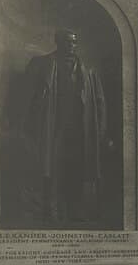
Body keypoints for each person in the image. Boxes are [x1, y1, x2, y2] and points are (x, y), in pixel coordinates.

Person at [21, 27, 110, 227]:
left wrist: (101, 131)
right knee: (51, 168)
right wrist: (25, 125)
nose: (71, 45)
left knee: (77, 168)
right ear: (58, 42)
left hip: (80, 128)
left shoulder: (89, 71)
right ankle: (50, 209)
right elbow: (27, 96)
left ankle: (75, 210)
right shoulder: (42, 64)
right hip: (52, 125)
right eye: (67, 41)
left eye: (74, 41)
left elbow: (100, 102)